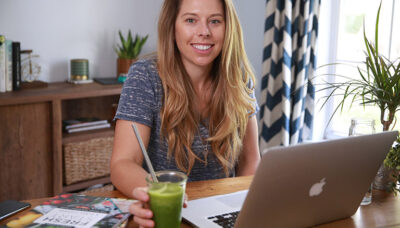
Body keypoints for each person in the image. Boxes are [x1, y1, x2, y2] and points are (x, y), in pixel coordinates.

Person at [110, 0, 260, 226]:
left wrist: (243, 208)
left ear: (229, 28)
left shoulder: (239, 79)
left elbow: (251, 160)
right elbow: (123, 162)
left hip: (222, 216)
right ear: (172, 26)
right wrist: (154, 192)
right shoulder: (145, 76)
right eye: (191, 20)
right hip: (167, 215)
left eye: (215, 21)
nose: (204, 32)